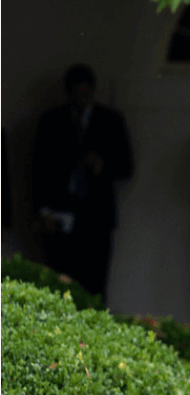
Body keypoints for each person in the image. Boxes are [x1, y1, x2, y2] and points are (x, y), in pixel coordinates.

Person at [31, 64, 132, 301]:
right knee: (59, 286)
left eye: (85, 93)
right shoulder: (52, 121)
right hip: (60, 214)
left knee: (95, 287)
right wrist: (42, 210)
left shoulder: (110, 120)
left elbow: (126, 165)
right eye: (76, 93)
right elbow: (38, 169)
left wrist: (100, 165)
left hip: (96, 217)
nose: (81, 99)